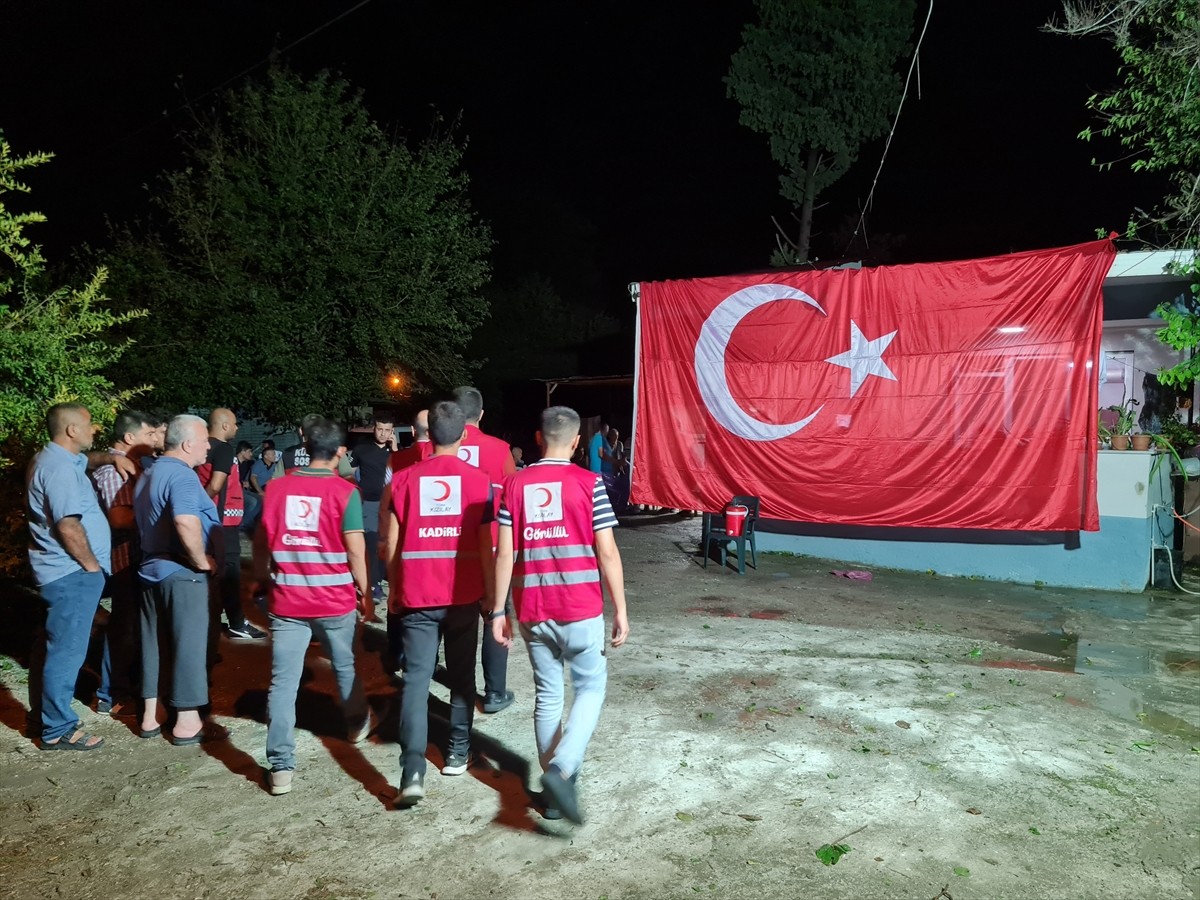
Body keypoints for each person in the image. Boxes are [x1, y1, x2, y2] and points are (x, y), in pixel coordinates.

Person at [490, 405, 630, 824]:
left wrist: (499, 610)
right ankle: (562, 769)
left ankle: (554, 795)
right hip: (580, 608)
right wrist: (621, 608)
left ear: (537, 438)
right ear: (576, 443)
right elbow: (606, 551)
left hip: (533, 608)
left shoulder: (513, 485)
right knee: (589, 690)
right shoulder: (589, 484)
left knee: (548, 696)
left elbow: (504, 554)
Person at [253, 417, 373, 796]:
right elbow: (356, 549)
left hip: (288, 599)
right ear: (340, 451)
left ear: (305, 445)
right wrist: (366, 592)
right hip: (334, 599)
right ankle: (355, 724)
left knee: (283, 682)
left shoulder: (275, 489)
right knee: (344, 665)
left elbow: (260, 543)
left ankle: (281, 767)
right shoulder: (345, 492)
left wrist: (261, 577)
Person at [384, 401, 495, 806]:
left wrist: (395, 591)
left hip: (416, 595)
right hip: (463, 595)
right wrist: (490, 594)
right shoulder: (480, 481)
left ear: (426, 434)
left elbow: (392, 546)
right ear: (464, 435)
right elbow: (486, 546)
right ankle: (457, 752)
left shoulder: (402, 479)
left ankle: (412, 769)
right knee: (463, 678)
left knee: (415, 682)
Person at [134, 414, 225, 745]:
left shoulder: (149, 472)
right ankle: (187, 721)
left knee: (153, 644)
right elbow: (186, 521)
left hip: (150, 570)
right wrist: (202, 562)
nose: (208, 446)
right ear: (188, 444)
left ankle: (149, 715)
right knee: (189, 643)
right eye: (204, 441)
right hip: (181, 571)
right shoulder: (182, 476)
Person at [26, 403, 112, 751]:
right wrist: (91, 565)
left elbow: (85, 460)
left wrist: (110, 458)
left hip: (59, 571)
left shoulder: (53, 458)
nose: (95, 429)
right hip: (71, 572)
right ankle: (57, 729)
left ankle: (41, 717)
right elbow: (68, 524)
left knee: (50, 647)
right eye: (90, 424)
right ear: (72, 430)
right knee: (66, 651)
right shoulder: (59, 469)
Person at [452, 386, 516, 714]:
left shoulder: (439, 447)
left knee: (458, 617)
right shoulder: (499, 449)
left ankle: (460, 690)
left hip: (450, 548)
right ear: (481, 414)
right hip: (491, 546)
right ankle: (494, 693)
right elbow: (514, 499)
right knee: (495, 614)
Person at [90, 409, 157, 716]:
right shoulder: (111, 472)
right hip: (122, 559)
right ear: (130, 437)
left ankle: (122, 686)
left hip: (134, 556)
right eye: (148, 435)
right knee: (124, 628)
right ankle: (110, 694)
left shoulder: (131, 465)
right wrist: (159, 513)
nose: (153, 441)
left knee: (131, 627)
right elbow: (118, 517)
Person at [196, 408, 265, 640]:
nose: (237, 428)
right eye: (235, 424)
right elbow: (215, 486)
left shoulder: (202, 447)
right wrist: (202, 511)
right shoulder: (223, 449)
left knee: (214, 573)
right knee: (230, 574)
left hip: (216, 521)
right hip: (222, 522)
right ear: (224, 425)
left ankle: (215, 621)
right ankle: (235, 622)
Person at [378, 409, 430, 669]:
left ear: (411, 432)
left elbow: (386, 501)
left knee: (395, 596)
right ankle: (424, 655)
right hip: (430, 541)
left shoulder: (395, 460)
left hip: (400, 538)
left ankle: (395, 652)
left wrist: (383, 538)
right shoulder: (442, 459)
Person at [347, 414, 395, 602]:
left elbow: (402, 473)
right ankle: (372, 585)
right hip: (368, 503)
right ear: (374, 429)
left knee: (388, 543)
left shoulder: (397, 453)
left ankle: (382, 579)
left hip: (391, 505)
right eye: (380, 429)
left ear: (392, 432)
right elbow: (348, 472)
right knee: (372, 543)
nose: (383, 434)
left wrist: (396, 449)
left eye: (387, 430)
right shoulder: (361, 450)